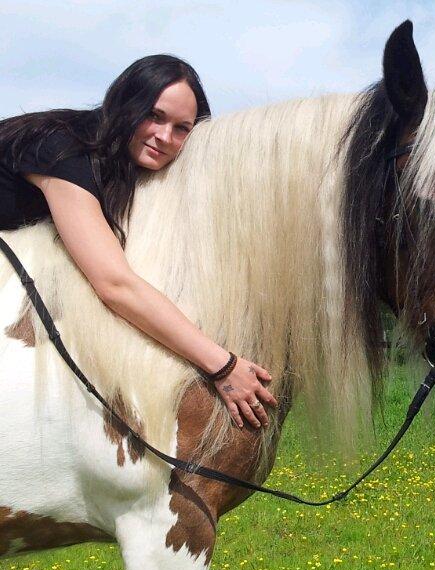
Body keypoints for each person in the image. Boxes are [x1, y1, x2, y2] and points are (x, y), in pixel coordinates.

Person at [0, 54, 276, 430]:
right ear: (125, 104)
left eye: (182, 128)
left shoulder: (117, 166)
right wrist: (223, 365)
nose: (165, 137)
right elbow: (114, 284)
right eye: (155, 116)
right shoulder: (64, 152)